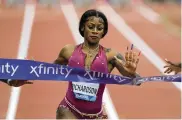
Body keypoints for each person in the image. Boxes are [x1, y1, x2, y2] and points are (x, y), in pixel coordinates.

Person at [2, 9, 141, 119]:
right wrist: (26, 73)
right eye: (91, 27)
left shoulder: (111, 55)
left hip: (96, 115)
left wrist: (132, 72)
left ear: (104, 32)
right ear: (82, 28)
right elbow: (50, 70)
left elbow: (137, 81)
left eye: (99, 28)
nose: (95, 31)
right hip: (69, 111)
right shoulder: (68, 51)